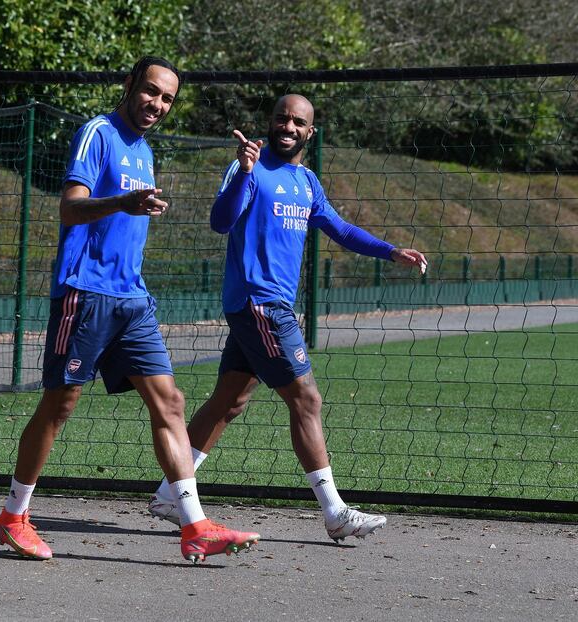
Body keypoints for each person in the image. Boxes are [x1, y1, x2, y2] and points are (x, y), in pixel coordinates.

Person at [0, 56, 259, 564]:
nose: (157, 104)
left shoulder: (144, 149)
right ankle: (13, 517)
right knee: (60, 405)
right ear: (130, 85)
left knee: (171, 403)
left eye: (167, 99)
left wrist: (138, 206)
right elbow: (70, 207)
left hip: (132, 300)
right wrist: (123, 203)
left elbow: (128, 210)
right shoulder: (98, 133)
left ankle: (195, 526)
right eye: (151, 91)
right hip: (85, 292)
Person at [148, 94, 428, 543]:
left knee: (230, 401)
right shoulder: (249, 167)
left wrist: (389, 251)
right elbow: (221, 222)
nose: (289, 126)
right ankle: (335, 511)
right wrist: (243, 171)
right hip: (260, 304)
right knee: (307, 399)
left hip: (263, 307)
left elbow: (339, 228)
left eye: (299, 122)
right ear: (270, 122)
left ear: (309, 132)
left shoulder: (306, 180)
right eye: (282, 118)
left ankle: (167, 494)